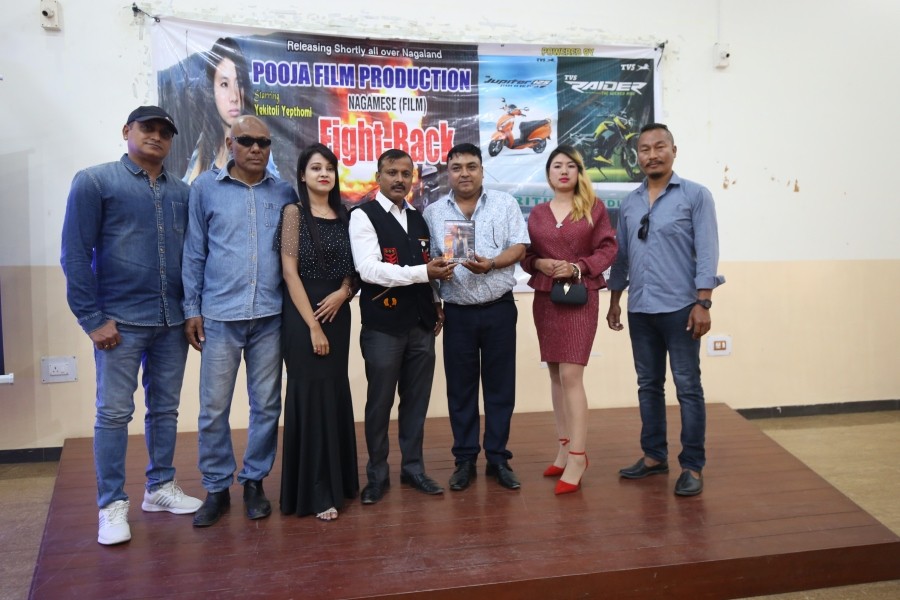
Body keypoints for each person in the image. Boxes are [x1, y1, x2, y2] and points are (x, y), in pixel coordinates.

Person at [60, 106, 203, 545]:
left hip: (171, 320)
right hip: (117, 323)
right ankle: (111, 505)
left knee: (164, 410)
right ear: (127, 131)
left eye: (164, 132)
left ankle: (159, 488)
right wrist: (91, 319)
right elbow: (73, 255)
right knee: (113, 413)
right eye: (147, 129)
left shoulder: (183, 191)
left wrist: (191, 310)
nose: (156, 137)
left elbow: (193, 257)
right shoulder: (95, 181)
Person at [182, 115, 297, 527]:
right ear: (230, 143)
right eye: (246, 141)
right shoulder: (204, 190)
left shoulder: (284, 192)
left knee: (266, 405)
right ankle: (215, 488)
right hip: (219, 316)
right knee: (214, 409)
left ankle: (253, 482)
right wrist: (191, 310)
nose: (255, 149)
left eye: (263, 143)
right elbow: (194, 252)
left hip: (270, 317)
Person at [606, 123, 725, 497]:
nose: (652, 155)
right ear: (637, 156)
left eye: (660, 147)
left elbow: (707, 251)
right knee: (648, 386)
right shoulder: (630, 202)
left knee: (688, 388)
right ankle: (654, 456)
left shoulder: (695, 196)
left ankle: (692, 465)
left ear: (674, 150)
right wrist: (614, 299)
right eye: (645, 149)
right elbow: (622, 254)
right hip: (641, 309)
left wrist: (703, 302)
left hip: (682, 308)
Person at [349, 148, 456, 505]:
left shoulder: (419, 218)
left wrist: (437, 301)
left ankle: (413, 468)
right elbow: (369, 270)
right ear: (378, 177)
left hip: (422, 325)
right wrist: (423, 273)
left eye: (405, 173)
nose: (399, 179)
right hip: (383, 327)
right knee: (379, 403)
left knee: (416, 402)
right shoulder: (363, 216)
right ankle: (377, 476)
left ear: (413, 178)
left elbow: (429, 265)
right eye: (391, 172)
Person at [423, 143, 530, 492]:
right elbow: (430, 260)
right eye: (457, 167)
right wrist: (436, 296)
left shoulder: (505, 204)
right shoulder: (434, 212)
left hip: (499, 308)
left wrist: (493, 264)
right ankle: (465, 460)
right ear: (448, 173)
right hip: (458, 314)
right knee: (461, 390)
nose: (464, 173)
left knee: (500, 389)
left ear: (483, 170)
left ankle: (498, 458)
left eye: (471, 166)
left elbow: (520, 246)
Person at [520, 145, 617, 495]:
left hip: (580, 297)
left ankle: (578, 455)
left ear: (579, 172)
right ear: (548, 174)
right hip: (546, 298)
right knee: (555, 373)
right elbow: (527, 254)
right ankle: (563, 447)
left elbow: (608, 248)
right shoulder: (537, 213)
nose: (563, 171)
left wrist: (578, 266)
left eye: (570, 166)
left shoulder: (594, 208)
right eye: (556, 166)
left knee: (572, 374)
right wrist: (539, 264)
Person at [276, 144, 359, 521]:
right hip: (303, 315)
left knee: (335, 391)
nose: (323, 174)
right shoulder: (293, 213)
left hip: (338, 311)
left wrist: (343, 293)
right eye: (315, 168)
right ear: (302, 175)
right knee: (309, 396)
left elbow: (354, 270)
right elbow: (289, 273)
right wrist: (312, 325)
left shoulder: (347, 215)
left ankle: (339, 482)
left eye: (329, 168)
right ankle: (314, 490)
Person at [183, 37, 279, 183]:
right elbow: (188, 187)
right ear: (211, 90)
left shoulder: (256, 145)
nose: (234, 97)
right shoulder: (206, 141)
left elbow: (274, 192)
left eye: (238, 83)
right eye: (224, 84)